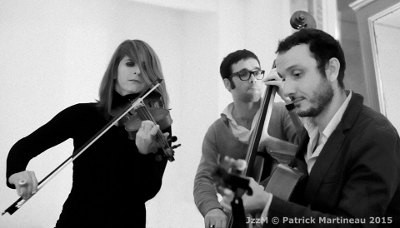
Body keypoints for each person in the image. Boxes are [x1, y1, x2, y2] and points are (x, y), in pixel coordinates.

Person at [220, 28, 400, 227]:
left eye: (297, 74)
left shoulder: (375, 136)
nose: (287, 89)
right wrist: (249, 193)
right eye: (284, 78)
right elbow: (303, 192)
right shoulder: (312, 132)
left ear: (331, 69)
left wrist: (268, 204)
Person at [6, 39, 172, 228]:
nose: (138, 71)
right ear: (114, 71)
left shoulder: (154, 123)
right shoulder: (82, 115)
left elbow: (147, 191)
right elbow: (23, 148)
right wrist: (16, 174)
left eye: (145, 66)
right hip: (76, 220)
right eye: (130, 63)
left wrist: (143, 153)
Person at [193, 49, 300, 228]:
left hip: (279, 214)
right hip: (237, 217)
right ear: (228, 84)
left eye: (257, 72)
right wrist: (212, 209)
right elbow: (204, 178)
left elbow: (308, 147)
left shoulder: (282, 112)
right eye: (243, 74)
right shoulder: (217, 130)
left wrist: (290, 101)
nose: (253, 78)